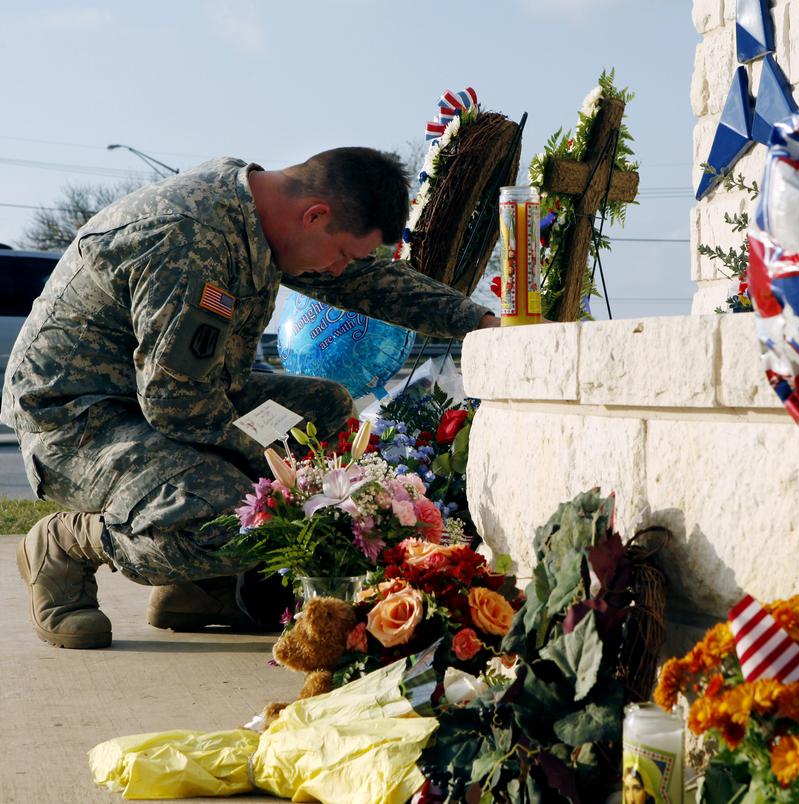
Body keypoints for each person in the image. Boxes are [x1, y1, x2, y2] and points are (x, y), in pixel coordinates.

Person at [1, 147, 499, 649]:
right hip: (77, 418)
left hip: (167, 396)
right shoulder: (192, 238)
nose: (336, 270)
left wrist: (483, 323)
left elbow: (370, 283)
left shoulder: (263, 214)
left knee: (322, 414)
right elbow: (176, 403)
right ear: (316, 215)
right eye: (343, 254)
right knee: (239, 522)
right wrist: (293, 487)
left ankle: (201, 590)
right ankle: (66, 544)